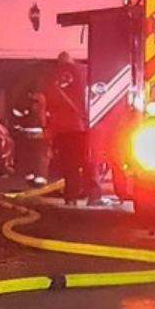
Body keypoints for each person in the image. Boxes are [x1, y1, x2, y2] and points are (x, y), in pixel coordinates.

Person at [42, 52, 92, 203]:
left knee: (68, 165)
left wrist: (46, 129)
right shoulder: (84, 72)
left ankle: (71, 196)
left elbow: (43, 104)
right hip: (81, 128)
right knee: (86, 162)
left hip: (61, 131)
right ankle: (90, 192)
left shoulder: (50, 77)